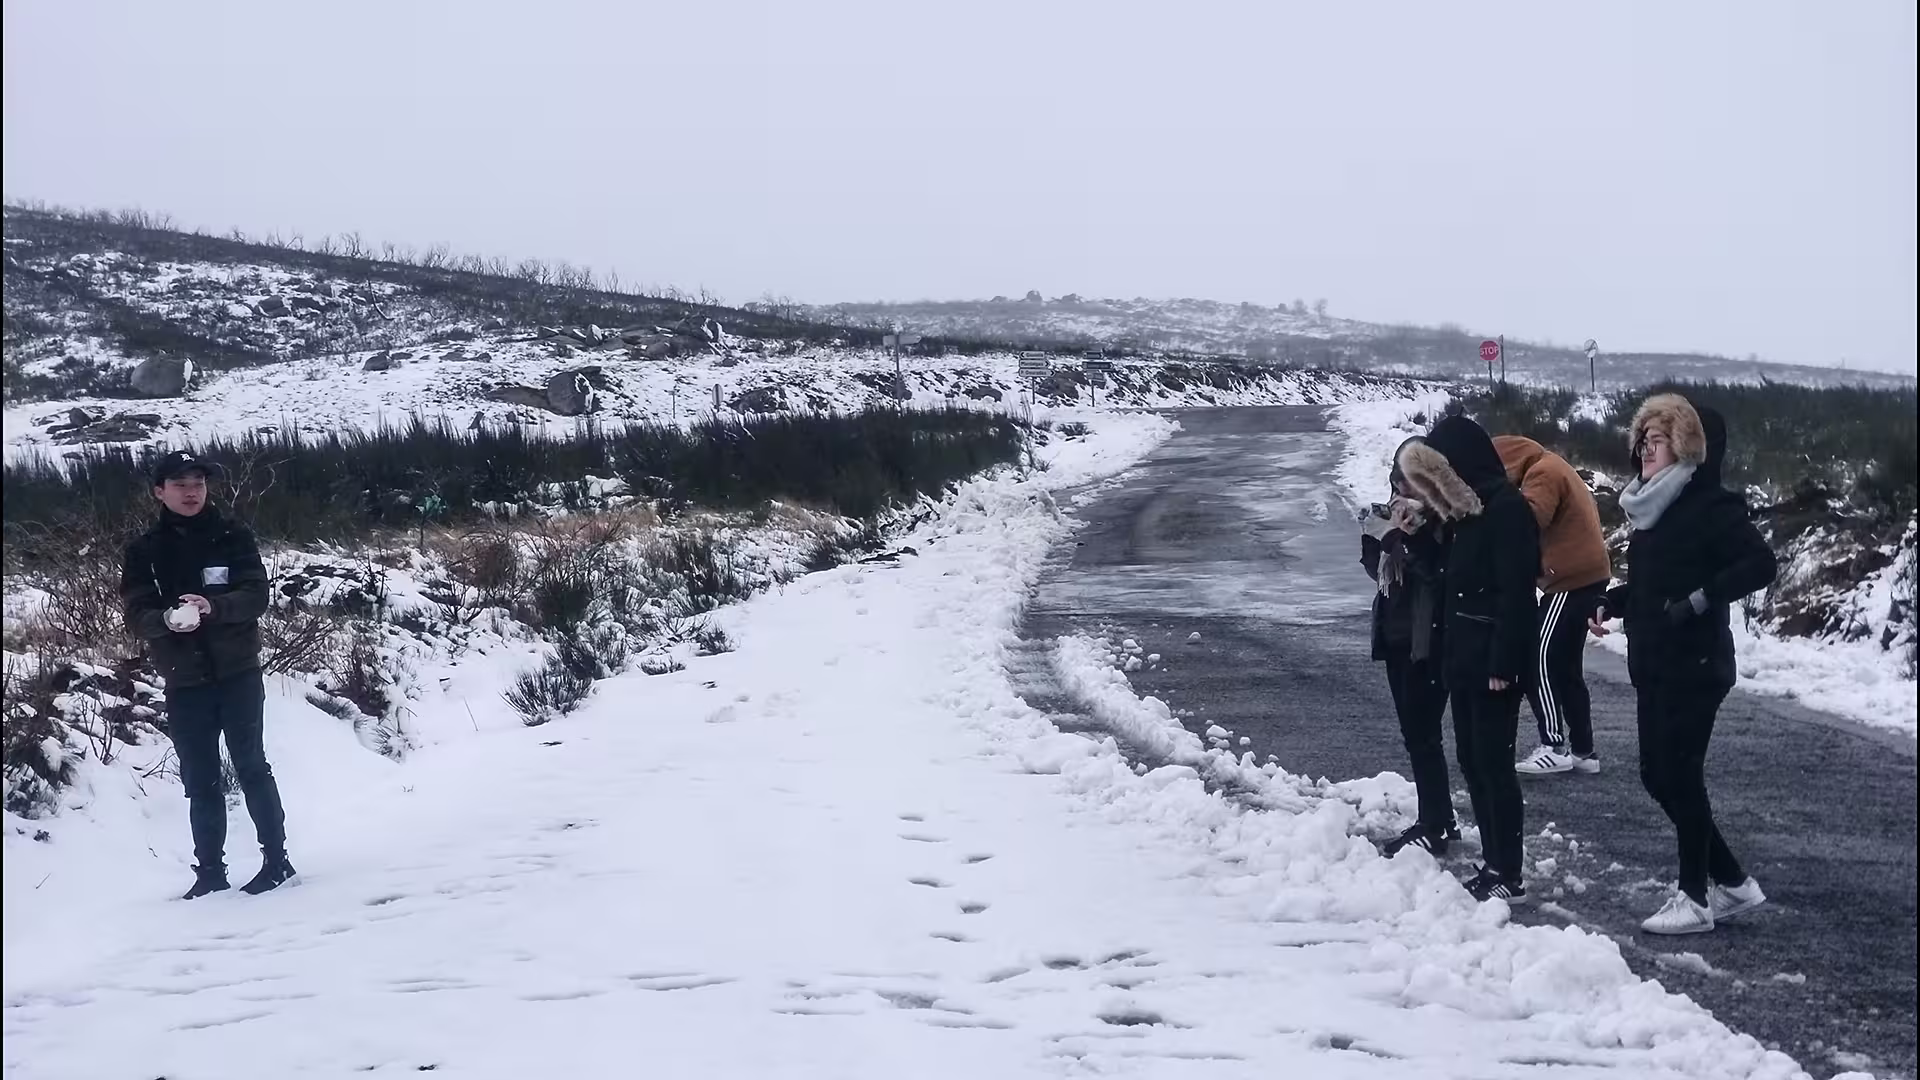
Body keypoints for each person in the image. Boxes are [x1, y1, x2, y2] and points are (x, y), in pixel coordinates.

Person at [1589, 394, 1775, 935]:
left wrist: (1699, 599)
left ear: (1688, 447)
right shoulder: (1654, 507)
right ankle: (1734, 883)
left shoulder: (1713, 506)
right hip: (1654, 662)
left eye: (1657, 441)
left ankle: (1695, 898)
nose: (1645, 451)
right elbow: (1652, 583)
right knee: (1656, 774)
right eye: (1641, 442)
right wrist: (1613, 602)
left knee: (1681, 776)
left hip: (1696, 665)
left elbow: (1760, 564)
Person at [121, 450, 295, 900]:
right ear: (159, 491)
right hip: (184, 680)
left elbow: (256, 595)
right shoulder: (143, 551)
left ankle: (277, 862)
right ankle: (210, 874)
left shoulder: (231, 534)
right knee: (200, 779)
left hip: (237, 673)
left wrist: (214, 608)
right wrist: (166, 620)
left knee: (252, 766)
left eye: (198, 482)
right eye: (179, 483)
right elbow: (136, 613)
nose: (191, 490)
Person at [1397, 416, 1540, 902]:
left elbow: (1517, 594)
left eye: (1443, 473)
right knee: (1472, 759)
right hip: (1462, 660)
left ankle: (1508, 873)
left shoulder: (1506, 511)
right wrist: (1415, 538)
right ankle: (1495, 862)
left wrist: (1505, 663)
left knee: (1494, 765)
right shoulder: (1464, 518)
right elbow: (1444, 583)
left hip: (1492, 665)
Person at [1359, 440, 1457, 857]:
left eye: (1409, 478)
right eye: (1397, 477)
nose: (1401, 486)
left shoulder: (1442, 521)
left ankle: (1434, 823)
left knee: (1423, 734)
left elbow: (1434, 574)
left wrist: (1401, 538)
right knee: (1416, 735)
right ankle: (1439, 818)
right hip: (1397, 637)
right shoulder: (1392, 517)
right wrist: (1377, 538)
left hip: (1426, 641)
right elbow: (1380, 576)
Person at [1493, 436, 1611, 777]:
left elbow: (1527, 522)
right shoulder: (1553, 465)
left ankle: (1554, 744)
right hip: (1586, 576)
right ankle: (1584, 752)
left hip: (1568, 582)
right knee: (1566, 668)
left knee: (1538, 658)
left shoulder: (1542, 473)